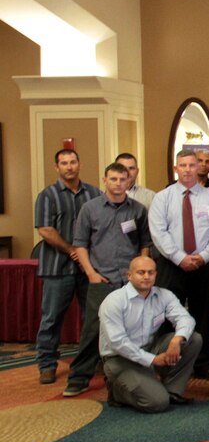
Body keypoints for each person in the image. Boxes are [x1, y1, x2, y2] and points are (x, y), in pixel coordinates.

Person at [64, 162, 152, 397]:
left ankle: (130, 373)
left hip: (130, 281)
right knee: (93, 328)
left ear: (128, 181)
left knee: (133, 327)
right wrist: (91, 274)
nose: (118, 183)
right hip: (101, 279)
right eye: (113, 179)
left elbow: (144, 244)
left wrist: (141, 273)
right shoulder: (90, 209)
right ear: (105, 180)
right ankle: (79, 377)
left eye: (123, 179)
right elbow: (80, 245)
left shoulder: (138, 210)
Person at [149, 149, 209, 377]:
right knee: (166, 314)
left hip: (204, 265)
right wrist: (179, 257)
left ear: (199, 168)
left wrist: (203, 256)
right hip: (171, 265)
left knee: (203, 314)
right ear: (176, 168)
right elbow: (158, 232)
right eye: (182, 165)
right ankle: (165, 360)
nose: (187, 169)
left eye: (192, 165)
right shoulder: (162, 198)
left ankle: (202, 363)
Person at [98, 256, 202, 412]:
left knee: (193, 339)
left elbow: (186, 319)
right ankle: (116, 391)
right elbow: (118, 343)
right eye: (141, 272)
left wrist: (177, 339)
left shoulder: (164, 295)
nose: (146, 276)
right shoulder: (114, 301)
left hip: (149, 348)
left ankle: (171, 391)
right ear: (129, 275)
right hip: (119, 358)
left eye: (150, 272)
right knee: (157, 403)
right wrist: (153, 360)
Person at [34, 148, 102, 385]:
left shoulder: (94, 193)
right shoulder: (47, 195)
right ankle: (46, 364)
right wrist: (72, 250)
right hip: (57, 268)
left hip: (88, 270)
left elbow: (100, 226)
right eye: (64, 163)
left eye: (73, 162)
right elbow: (45, 230)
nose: (69, 167)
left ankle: (90, 362)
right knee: (51, 319)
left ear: (79, 164)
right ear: (57, 167)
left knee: (92, 318)